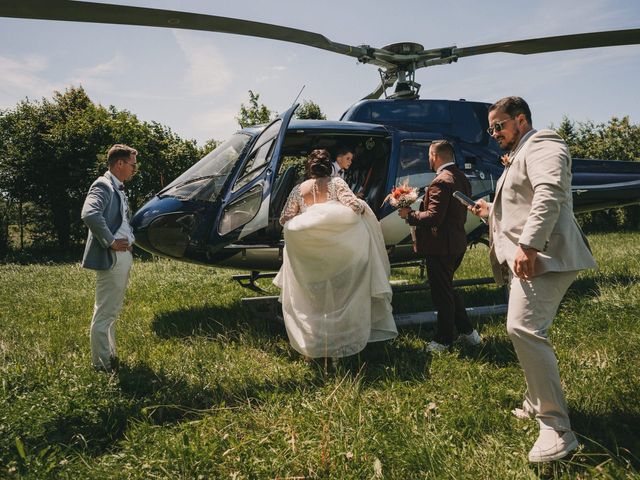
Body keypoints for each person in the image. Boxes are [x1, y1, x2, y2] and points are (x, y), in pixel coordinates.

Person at [470, 96, 596, 462]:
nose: (494, 134)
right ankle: (535, 399)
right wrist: (489, 211)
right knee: (522, 329)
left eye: (499, 126)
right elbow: (518, 208)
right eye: (491, 128)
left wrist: (528, 245)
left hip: (545, 256)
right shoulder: (518, 155)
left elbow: (550, 192)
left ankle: (557, 428)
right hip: (528, 258)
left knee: (523, 329)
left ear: (521, 120)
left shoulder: (543, 142)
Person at [274, 149, 397, 359]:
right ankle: (340, 345)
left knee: (314, 300)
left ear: (309, 167)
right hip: (338, 256)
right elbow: (355, 207)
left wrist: (309, 222)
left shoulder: (298, 189)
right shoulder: (337, 184)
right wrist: (353, 207)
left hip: (310, 258)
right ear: (329, 166)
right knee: (340, 297)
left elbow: (284, 219)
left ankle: (314, 345)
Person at [398, 140, 481, 352]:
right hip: (456, 243)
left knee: (441, 294)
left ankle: (444, 340)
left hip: (440, 247)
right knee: (447, 290)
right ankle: (469, 334)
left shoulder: (440, 182)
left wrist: (410, 215)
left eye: (429, 155)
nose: (428, 159)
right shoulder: (461, 177)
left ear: (435, 156)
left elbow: (434, 217)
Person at [81, 144, 139, 372]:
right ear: (120, 164)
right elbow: (90, 213)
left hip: (122, 256)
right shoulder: (103, 185)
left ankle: (110, 355)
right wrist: (112, 242)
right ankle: (102, 366)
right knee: (105, 312)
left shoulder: (118, 188)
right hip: (112, 256)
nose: (135, 169)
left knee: (112, 311)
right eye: (133, 165)